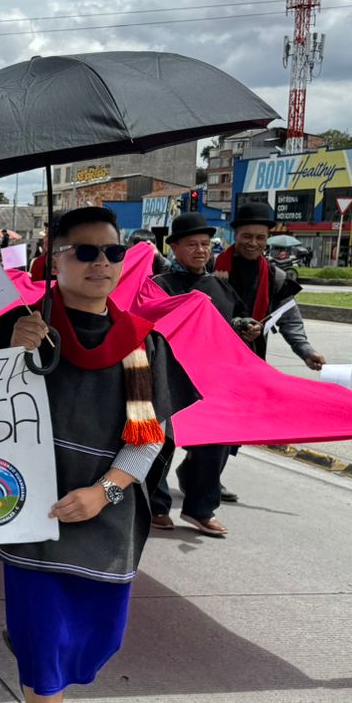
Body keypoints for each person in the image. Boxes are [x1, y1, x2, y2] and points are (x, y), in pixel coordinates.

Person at [0, 206, 197, 703]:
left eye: (112, 252)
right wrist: (5, 355)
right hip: (34, 515)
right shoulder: (19, 330)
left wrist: (105, 491)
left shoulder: (141, 342)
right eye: (86, 251)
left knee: (95, 643)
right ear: (55, 257)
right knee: (47, 646)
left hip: (105, 518)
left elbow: (148, 437)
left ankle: (37, 653)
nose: (102, 263)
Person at [148, 212, 252, 537]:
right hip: (168, 379)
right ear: (174, 247)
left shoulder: (219, 287)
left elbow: (235, 321)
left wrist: (245, 328)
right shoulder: (158, 287)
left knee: (215, 445)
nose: (200, 250)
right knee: (160, 448)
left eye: (205, 244)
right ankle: (156, 506)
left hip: (210, 383)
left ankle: (200, 509)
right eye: (191, 244)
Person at [214, 201, 326, 371]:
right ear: (235, 234)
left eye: (260, 237)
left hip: (253, 359)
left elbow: (290, 320)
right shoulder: (211, 268)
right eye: (246, 236)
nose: (253, 243)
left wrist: (307, 351)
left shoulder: (276, 277)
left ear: (267, 238)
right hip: (212, 358)